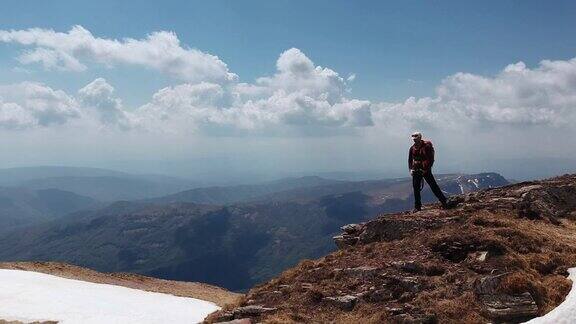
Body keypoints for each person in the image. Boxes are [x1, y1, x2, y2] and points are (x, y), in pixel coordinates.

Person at [408, 131, 448, 212]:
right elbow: (410, 160)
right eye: (414, 139)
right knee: (416, 188)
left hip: (425, 170)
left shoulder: (427, 147)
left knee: (433, 186)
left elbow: (430, 159)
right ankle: (417, 207)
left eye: (416, 139)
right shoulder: (412, 148)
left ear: (420, 138)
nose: (414, 140)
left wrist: (426, 169)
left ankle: (444, 202)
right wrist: (411, 170)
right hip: (416, 170)